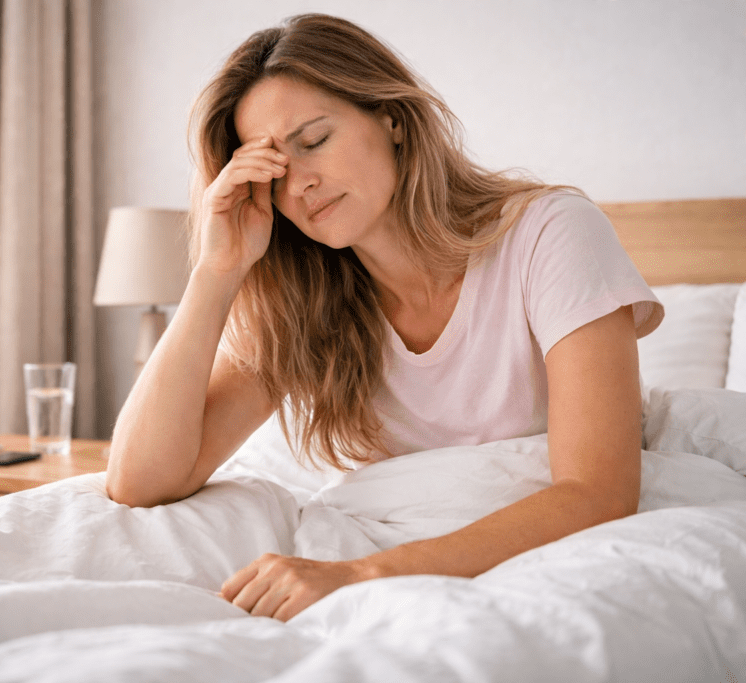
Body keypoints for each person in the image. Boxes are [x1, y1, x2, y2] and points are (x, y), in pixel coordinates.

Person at [105, 13, 663, 622]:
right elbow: (140, 482)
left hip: (494, 562)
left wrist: (361, 575)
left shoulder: (549, 233)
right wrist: (216, 271)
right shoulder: (306, 302)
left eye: (314, 141)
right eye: (273, 171)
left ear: (391, 119)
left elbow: (600, 492)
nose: (301, 184)